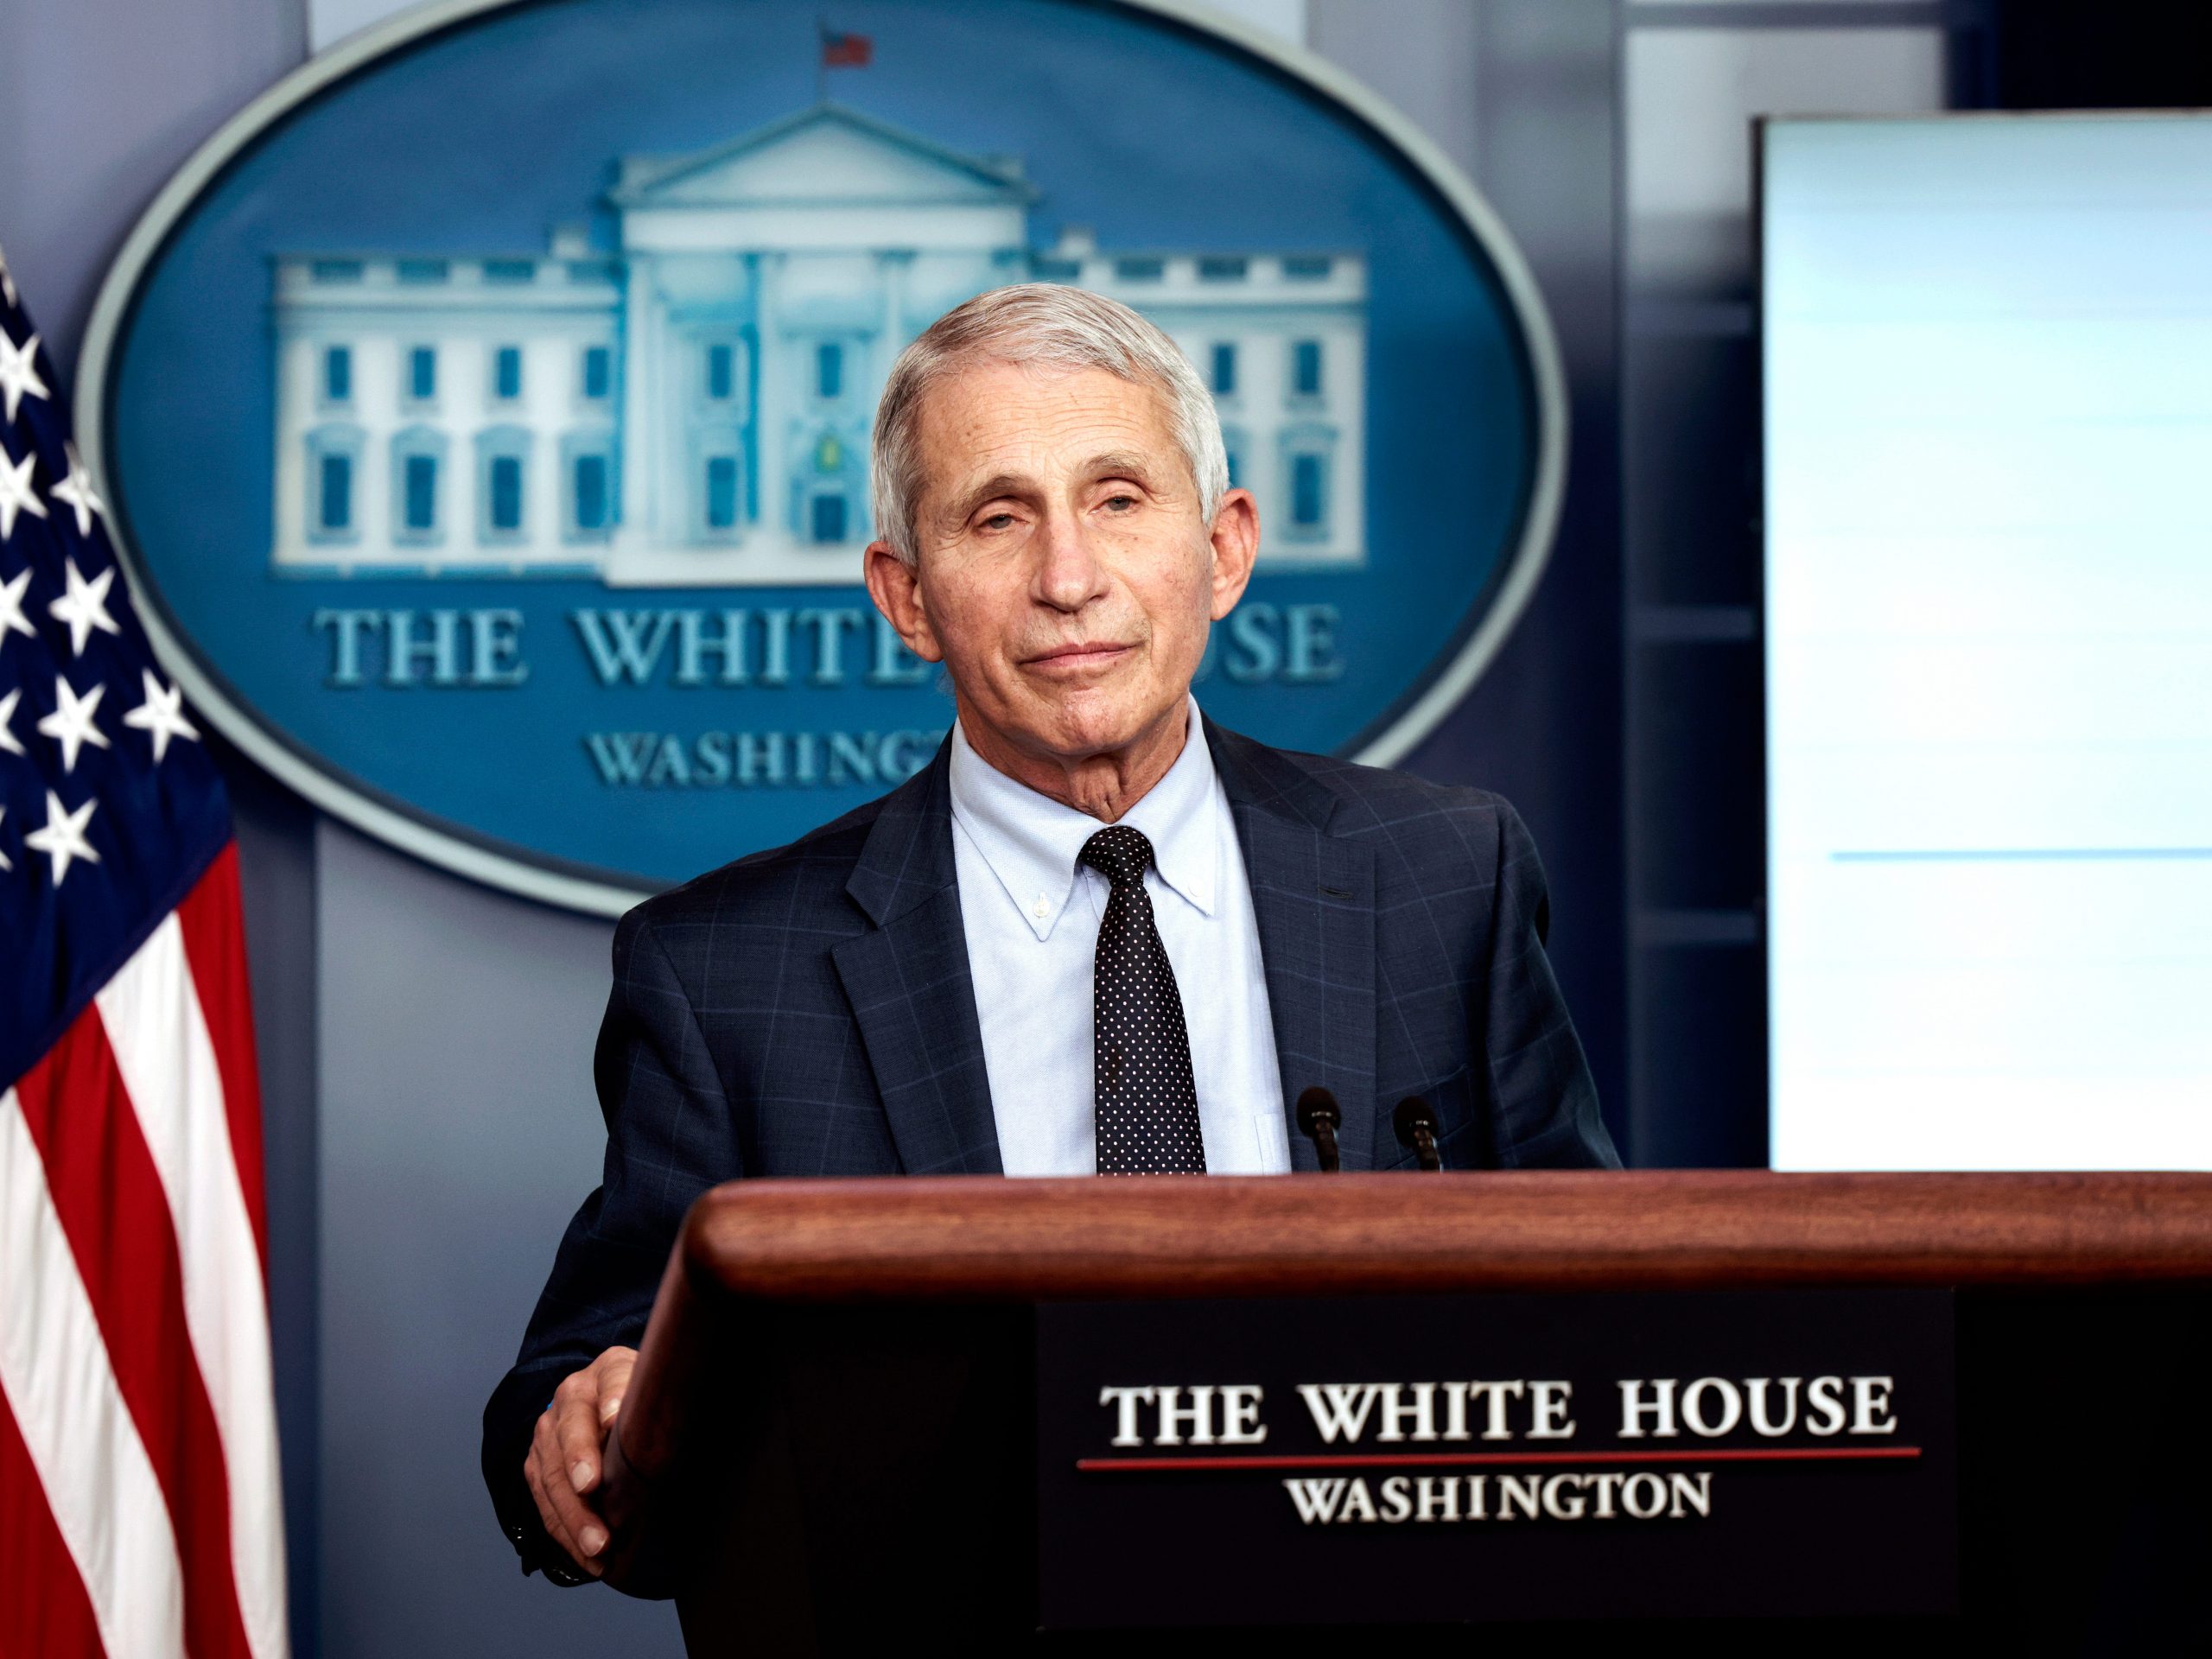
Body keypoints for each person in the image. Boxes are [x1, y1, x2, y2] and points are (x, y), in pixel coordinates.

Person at [482, 283, 1619, 1584]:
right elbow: (578, 1390)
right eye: (998, 516)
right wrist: (577, 1427)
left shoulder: (1442, 877)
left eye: (1119, 500)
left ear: (1225, 550)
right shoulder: (725, 972)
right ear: (907, 596)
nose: (1068, 579)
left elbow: (1597, 1306)